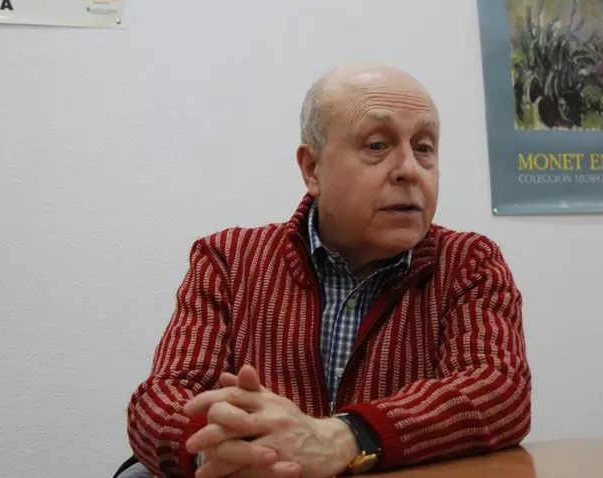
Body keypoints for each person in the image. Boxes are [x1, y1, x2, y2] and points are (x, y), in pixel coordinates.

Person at [124, 62, 531, 478]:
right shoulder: (230, 260)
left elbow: (498, 389)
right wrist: (219, 452)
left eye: (424, 147)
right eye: (377, 145)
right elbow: (161, 400)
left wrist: (344, 437)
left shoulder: (468, 263)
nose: (410, 169)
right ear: (312, 168)